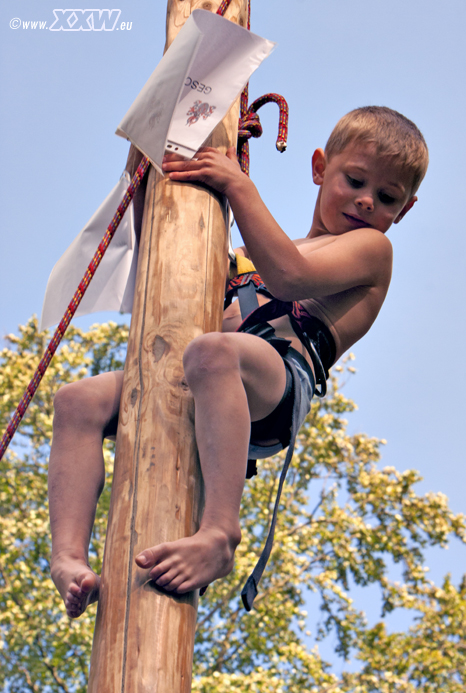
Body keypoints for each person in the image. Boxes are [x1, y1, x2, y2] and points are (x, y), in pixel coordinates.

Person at [48, 106, 429, 618]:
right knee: (77, 401)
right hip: (212, 382)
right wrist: (150, 164)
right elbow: (165, 264)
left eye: (387, 197)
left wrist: (239, 186)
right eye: (355, 180)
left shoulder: (371, 250)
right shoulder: (252, 254)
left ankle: (221, 532)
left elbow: (291, 277)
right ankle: (68, 557)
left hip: (276, 389)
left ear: (403, 211)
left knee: (213, 351)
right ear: (319, 167)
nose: (366, 200)